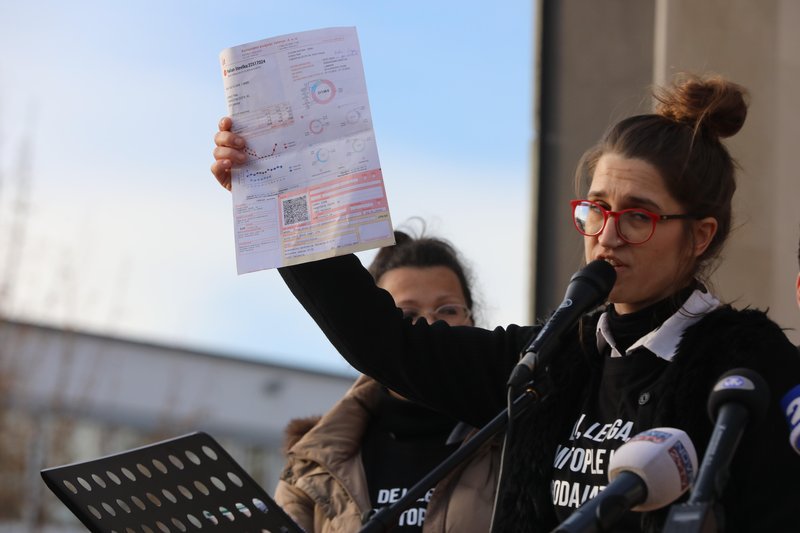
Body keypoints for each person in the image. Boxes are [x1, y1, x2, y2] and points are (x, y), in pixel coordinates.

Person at [212, 73, 800, 532]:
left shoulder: (747, 367)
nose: (607, 234)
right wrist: (275, 193)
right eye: (596, 209)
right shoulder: (547, 359)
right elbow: (385, 344)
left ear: (698, 235)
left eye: (639, 217)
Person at [274, 228, 500, 533]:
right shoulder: (310, 467)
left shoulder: (519, 437)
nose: (429, 327)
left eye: (447, 310)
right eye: (405, 316)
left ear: (472, 320)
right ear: (367, 333)